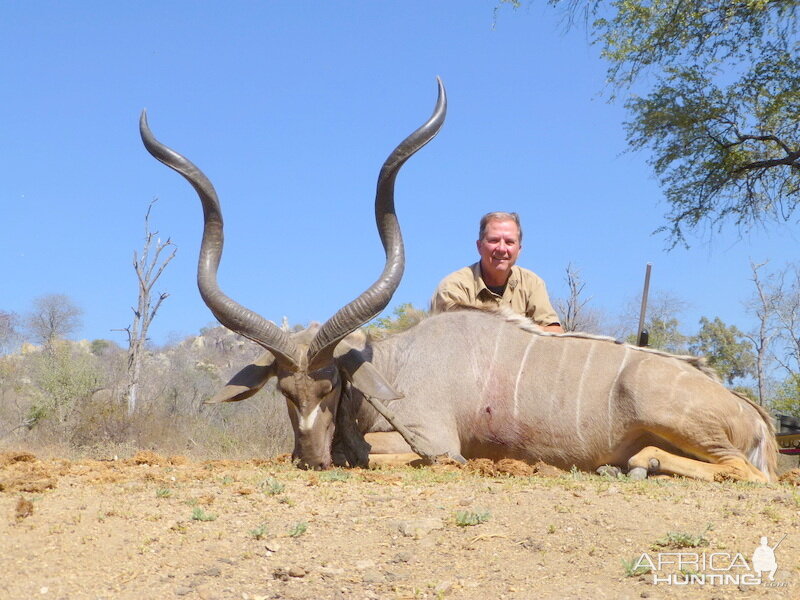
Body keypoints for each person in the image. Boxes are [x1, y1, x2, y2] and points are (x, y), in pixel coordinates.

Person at [431, 211, 564, 332]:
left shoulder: (532, 283)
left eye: (509, 242)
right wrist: (521, 329)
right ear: (479, 246)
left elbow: (555, 332)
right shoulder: (453, 287)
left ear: (519, 250)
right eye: (494, 240)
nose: (501, 248)